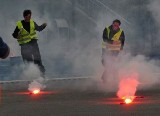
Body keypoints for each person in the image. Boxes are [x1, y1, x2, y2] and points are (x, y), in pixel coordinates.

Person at [12, 10, 47, 77]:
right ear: (25, 17)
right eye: (28, 16)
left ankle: (42, 75)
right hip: (24, 46)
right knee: (28, 62)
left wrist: (43, 26)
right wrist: (17, 36)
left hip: (33, 43)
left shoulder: (32, 23)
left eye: (30, 16)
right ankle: (31, 76)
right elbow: (14, 35)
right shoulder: (20, 24)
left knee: (37, 59)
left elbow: (39, 28)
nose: (30, 18)